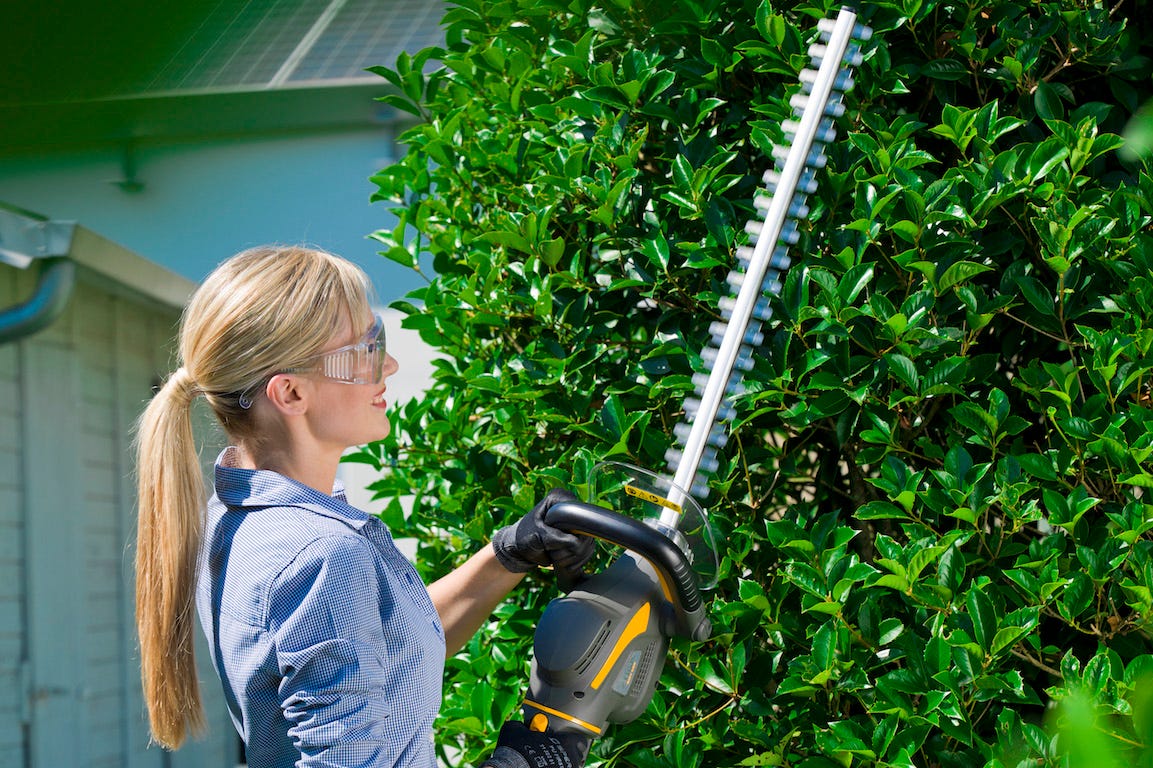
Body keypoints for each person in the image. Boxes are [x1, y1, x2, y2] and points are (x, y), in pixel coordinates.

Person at [134, 245, 594, 767]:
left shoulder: (242, 521)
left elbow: (379, 655)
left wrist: (507, 555)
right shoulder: (320, 554)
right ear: (290, 394)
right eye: (368, 349)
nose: (390, 364)